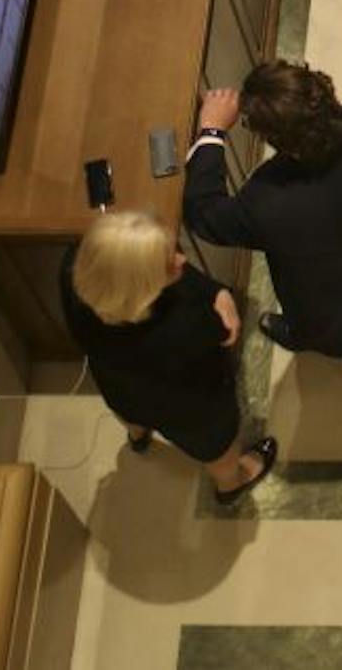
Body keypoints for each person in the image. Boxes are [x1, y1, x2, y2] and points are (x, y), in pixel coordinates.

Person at [182, 63, 342, 398]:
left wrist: (212, 132)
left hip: (318, 286)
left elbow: (204, 215)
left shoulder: (267, 203)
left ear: (278, 141)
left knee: (316, 323)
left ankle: (328, 345)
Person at [60, 210, 278, 507]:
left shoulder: (73, 273)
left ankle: (138, 437)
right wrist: (219, 294)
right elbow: (221, 331)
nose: (182, 261)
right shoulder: (184, 324)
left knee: (132, 415)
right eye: (169, 262)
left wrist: (213, 291)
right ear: (144, 288)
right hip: (191, 410)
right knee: (220, 451)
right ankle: (232, 484)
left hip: (121, 390)